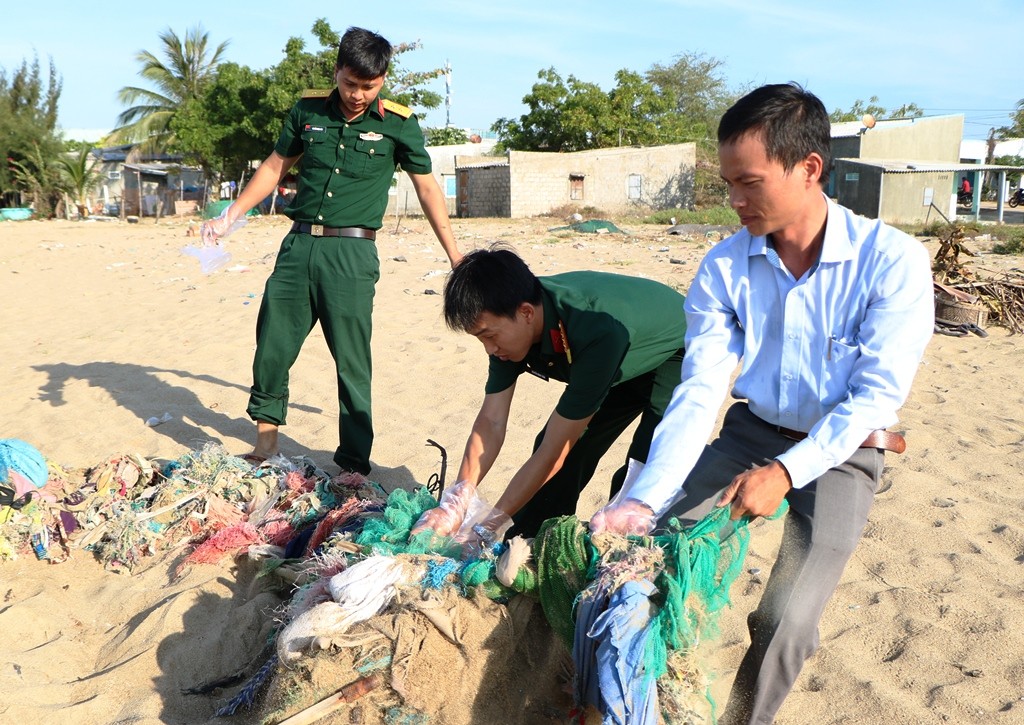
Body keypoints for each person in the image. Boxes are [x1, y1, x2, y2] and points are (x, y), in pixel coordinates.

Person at [590, 82, 934, 723]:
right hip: (750, 434)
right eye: (728, 184)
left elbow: (874, 398)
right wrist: (645, 497)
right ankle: (629, 702)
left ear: (809, 169)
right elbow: (699, 391)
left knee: (786, 617)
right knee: (645, 549)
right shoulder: (724, 267)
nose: (735, 201)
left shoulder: (891, 263)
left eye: (749, 182)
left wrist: (784, 473)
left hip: (845, 451)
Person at [202, 27, 461, 474]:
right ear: (337, 70)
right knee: (272, 347)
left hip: (352, 255)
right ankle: (265, 447)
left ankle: (353, 465)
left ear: (382, 79)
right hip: (298, 247)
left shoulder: (399, 123)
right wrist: (231, 215)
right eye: (350, 83)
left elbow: (427, 188)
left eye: (369, 86)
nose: (358, 95)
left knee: (352, 360)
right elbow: (274, 165)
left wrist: (455, 256)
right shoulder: (306, 110)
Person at [411, 246, 686, 541]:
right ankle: (532, 539)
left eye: (490, 337)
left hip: (676, 348)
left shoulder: (593, 329)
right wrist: (458, 499)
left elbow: (554, 452)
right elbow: (491, 422)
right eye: (481, 339)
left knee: (644, 471)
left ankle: (631, 550)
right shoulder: (507, 322)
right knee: (571, 448)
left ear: (527, 313)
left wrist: (487, 526)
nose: (489, 349)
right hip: (616, 358)